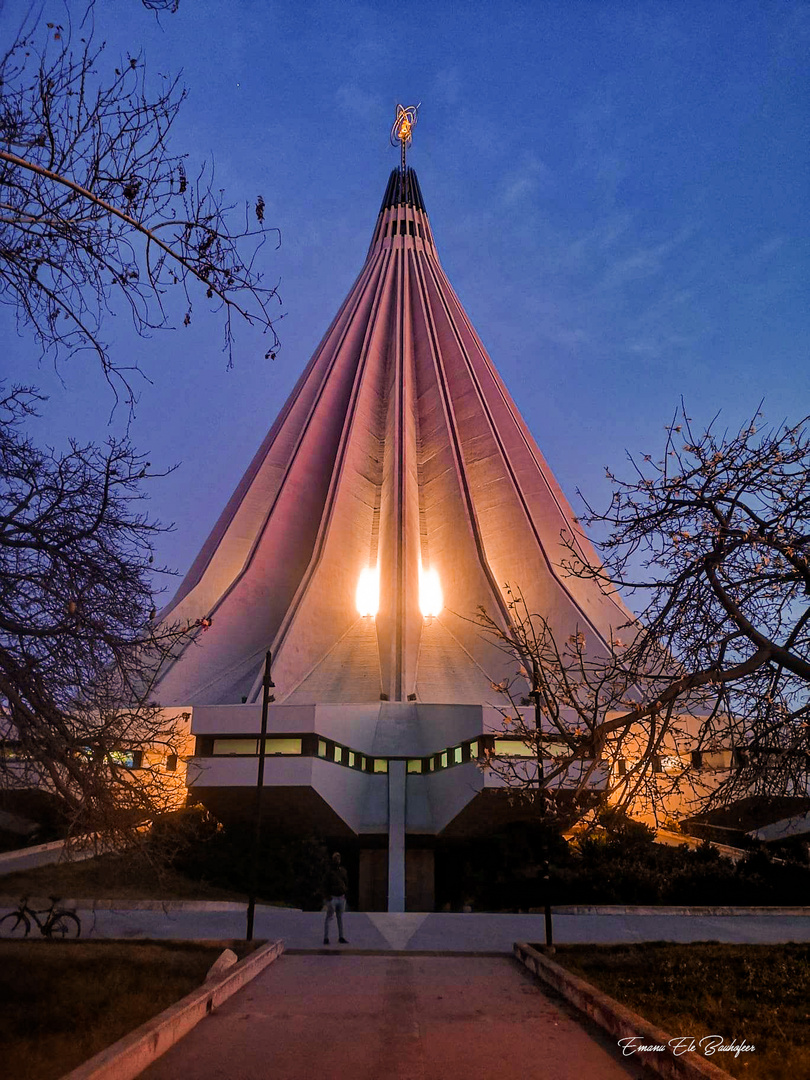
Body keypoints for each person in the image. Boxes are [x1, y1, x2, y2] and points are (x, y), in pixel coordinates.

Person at [323, 851, 349, 944]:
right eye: (335, 859)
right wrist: (327, 897)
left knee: (340, 917)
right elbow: (325, 885)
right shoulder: (329, 872)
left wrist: (345, 893)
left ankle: (341, 936)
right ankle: (326, 938)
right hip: (333, 898)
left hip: (341, 897)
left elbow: (345, 882)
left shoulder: (342, 871)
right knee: (329, 917)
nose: (337, 860)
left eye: (338, 858)